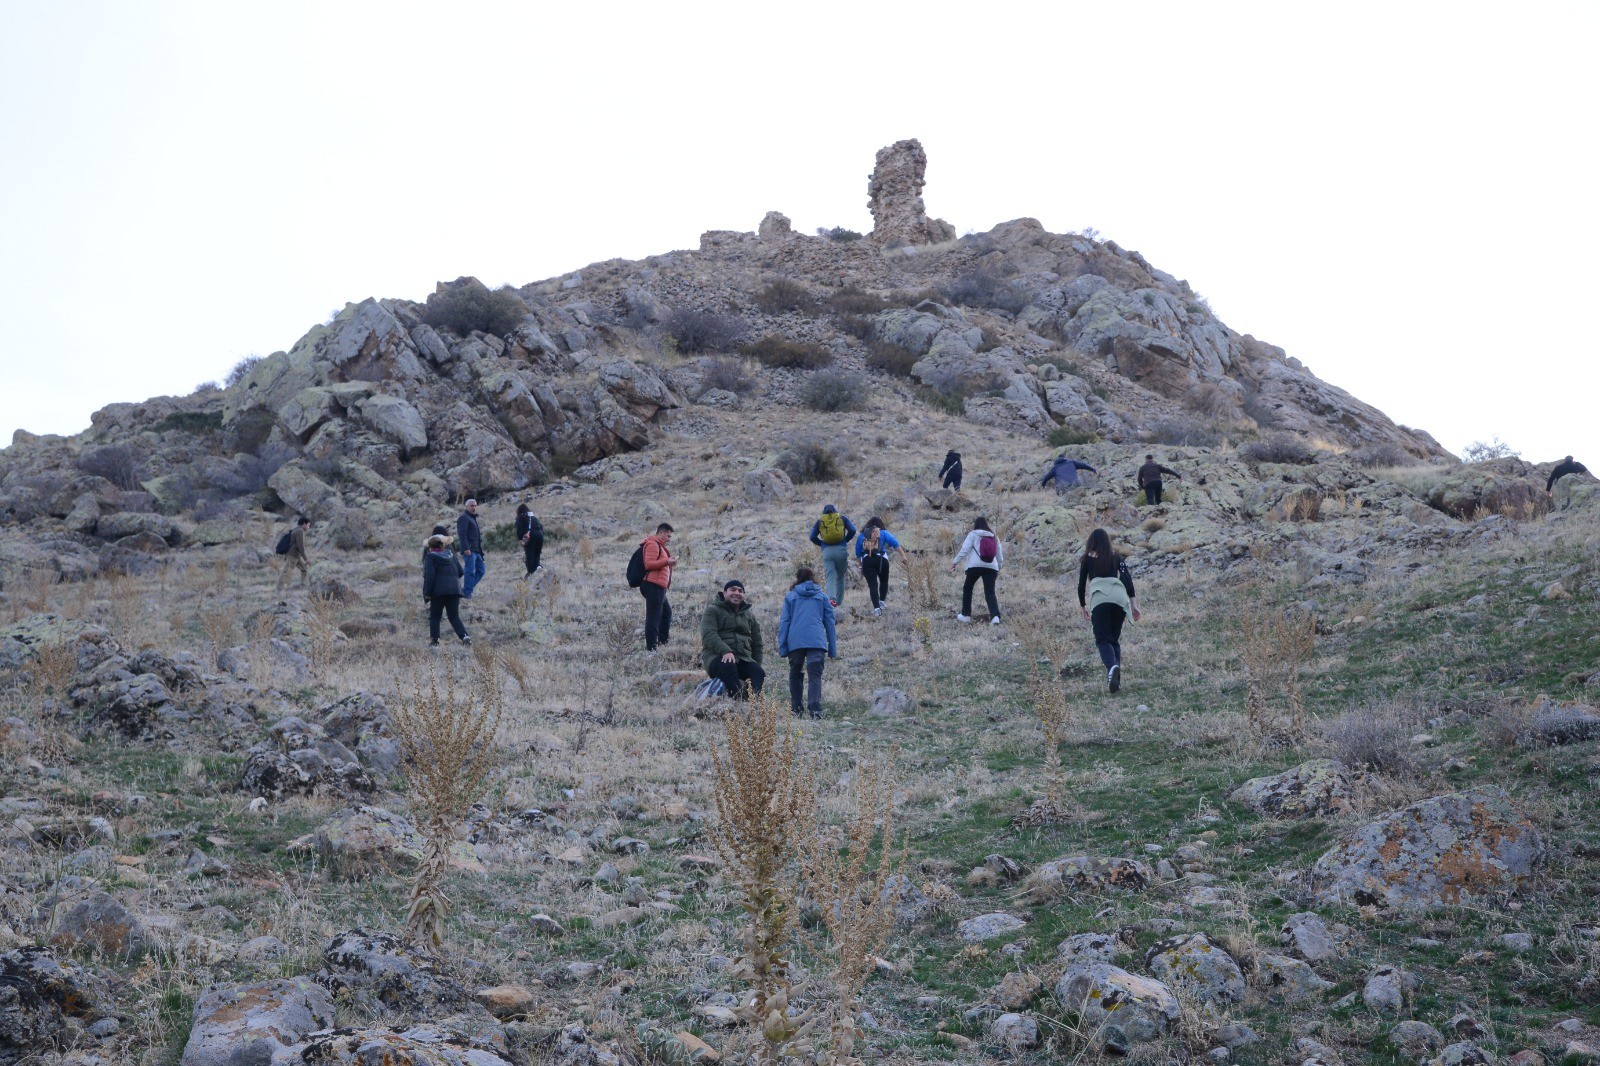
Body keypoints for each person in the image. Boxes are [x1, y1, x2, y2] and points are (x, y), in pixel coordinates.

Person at [1077, 528, 1139, 693]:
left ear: (1091, 542)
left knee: (1102, 640)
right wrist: (1133, 605)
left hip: (1100, 599)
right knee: (1113, 639)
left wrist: (1083, 606)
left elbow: (1081, 584)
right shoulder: (1116, 556)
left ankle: (1112, 668)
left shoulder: (1086, 559)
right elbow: (1127, 579)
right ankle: (1116, 682)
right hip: (1119, 598)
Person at [777, 567, 838, 719]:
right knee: (815, 674)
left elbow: (785, 622)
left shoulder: (790, 596)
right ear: (813, 578)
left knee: (795, 674)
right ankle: (815, 710)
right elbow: (830, 623)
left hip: (795, 640)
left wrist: (782, 647)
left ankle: (796, 709)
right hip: (816, 640)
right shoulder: (822, 596)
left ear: (797, 578)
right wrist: (832, 649)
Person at [701, 579, 764, 699]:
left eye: (740, 591)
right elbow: (708, 634)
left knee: (758, 673)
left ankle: (754, 705)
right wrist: (725, 651)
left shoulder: (750, 616)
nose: (737, 593)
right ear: (724, 593)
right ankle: (738, 701)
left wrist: (756, 663)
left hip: (742, 658)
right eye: (732, 590)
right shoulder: (712, 610)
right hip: (717, 658)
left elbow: (757, 643)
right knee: (728, 665)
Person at [950, 516, 1003, 625]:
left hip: (974, 566)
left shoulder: (973, 534)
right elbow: (999, 555)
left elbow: (964, 550)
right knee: (990, 592)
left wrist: (955, 562)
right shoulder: (994, 537)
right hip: (991, 567)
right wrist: (999, 567)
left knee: (968, 588)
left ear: (976, 525)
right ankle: (995, 617)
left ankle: (966, 615)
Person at [422, 534, 472, 646]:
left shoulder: (430, 556)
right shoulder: (451, 554)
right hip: (455, 590)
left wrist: (427, 593)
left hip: (438, 592)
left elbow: (429, 576)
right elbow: (460, 571)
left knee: (435, 617)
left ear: (430, 547)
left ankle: (435, 641)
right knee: (454, 616)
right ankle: (465, 636)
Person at [855, 517, 909, 616]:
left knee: (873, 585)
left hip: (867, 561)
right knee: (884, 581)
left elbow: (858, 554)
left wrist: (861, 567)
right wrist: (903, 556)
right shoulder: (883, 532)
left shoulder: (862, 535)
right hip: (882, 560)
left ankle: (876, 609)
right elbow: (895, 543)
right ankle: (882, 602)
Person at [808, 504, 857, 607]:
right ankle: (839, 602)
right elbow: (853, 530)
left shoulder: (820, 521)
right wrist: (845, 540)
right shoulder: (841, 518)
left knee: (830, 577)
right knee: (840, 577)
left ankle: (831, 599)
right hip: (841, 550)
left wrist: (821, 544)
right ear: (835, 511)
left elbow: (812, 536)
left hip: (827, 552)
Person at [640, 523, 676, 653]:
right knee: (653, 617)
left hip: (658, 586)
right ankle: (651, 650)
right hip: (653, 585)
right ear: (661, 533)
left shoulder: (659, 546)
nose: (669, 539)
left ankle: (662, 643)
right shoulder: (652, 544)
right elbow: (648, 564)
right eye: (668, 535)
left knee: (666, 613)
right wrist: (667, 562)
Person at [456, 498, 485, 598]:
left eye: (475, 505)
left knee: (481, 570)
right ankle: (467, 593)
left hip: (476, 551)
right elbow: (462, 534)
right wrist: (466, 548)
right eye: (471, 505)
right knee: (470, 571)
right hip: (469, 550)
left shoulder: (472, 518)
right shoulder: (464, 517)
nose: (474, 507)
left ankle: (466, 590)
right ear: (466, 506)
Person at [275, 516, 312, 592]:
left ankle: (302, 586)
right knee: (285, 571)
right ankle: (279, 589)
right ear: (304, 524)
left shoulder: (297, 530)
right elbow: (300, 546)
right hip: (293, 555)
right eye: (308, 525)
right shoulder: (299, 531)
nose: (309, 527)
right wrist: (306, 559)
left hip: (296, 555)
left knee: (304, 569)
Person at [515, 499, 544, 577]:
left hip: (531, 536)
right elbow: (541, 527)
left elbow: (519, 530)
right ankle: (538, 569)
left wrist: (522, 538)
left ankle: (531, 574)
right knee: (537, 555)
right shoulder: (533, 517)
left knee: (530, 555)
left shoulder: (520, 517)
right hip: (540, 535)